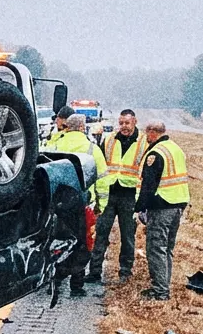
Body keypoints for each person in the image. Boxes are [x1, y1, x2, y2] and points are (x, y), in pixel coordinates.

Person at [46, 113, 109, 297]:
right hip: (81, 204)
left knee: (55, 241)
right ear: (83, 127)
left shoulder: (55, 143)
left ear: (67, 126)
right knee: (81, 243)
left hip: (57, 204)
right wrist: (100, 204)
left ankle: (54, 279)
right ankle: (77, 285)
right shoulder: (92, 148)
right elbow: (102, 179)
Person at [87, 109, 146, 284]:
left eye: (127, 123)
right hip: (110, 193)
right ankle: (94, 271)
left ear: (134, 121)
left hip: (129, 195)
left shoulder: (143, 142)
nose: (124, 127)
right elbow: (100, 163)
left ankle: (125, 272)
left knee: (128, 236)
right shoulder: (110, 139)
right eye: (121, 123)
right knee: (101, 233)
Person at [135, 121, 189, 300]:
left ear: (152, 132)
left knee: (156, 248)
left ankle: (160, 291)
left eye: (146, 133)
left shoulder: (155, 154)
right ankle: (163, 285)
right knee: (167, 249)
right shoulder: (175, 148)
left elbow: (148, 185)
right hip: (178, 205)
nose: (146, 137)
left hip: (161, 206)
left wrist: (140, 208)